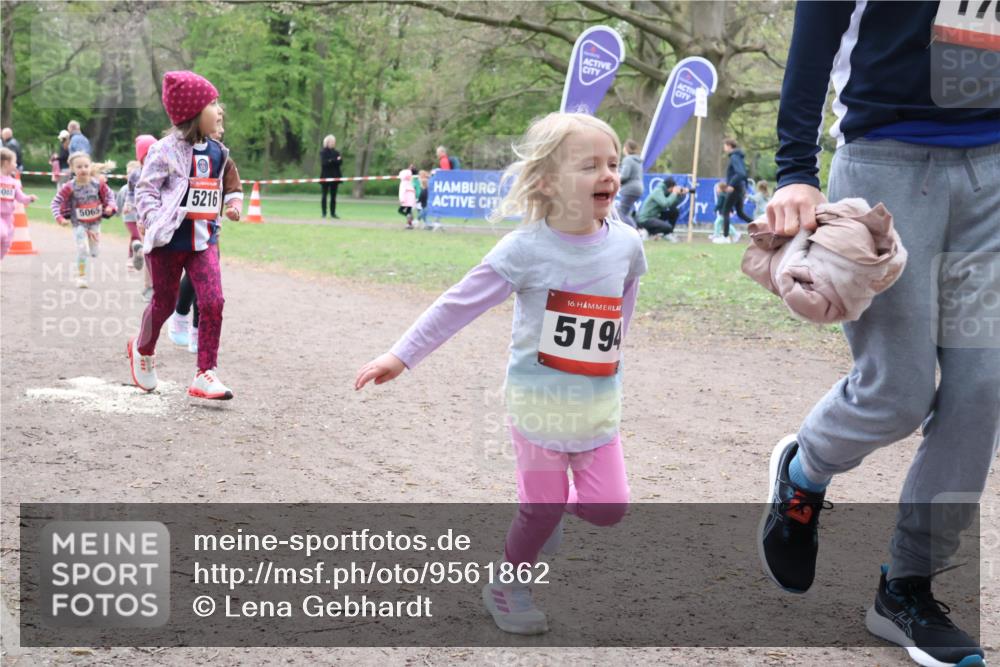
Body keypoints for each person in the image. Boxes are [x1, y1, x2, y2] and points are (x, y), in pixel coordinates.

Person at [758, 3, 999, 667]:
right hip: (884, 165)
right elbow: (818, 26)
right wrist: (795, 168)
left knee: (984, 389)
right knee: (898, 388)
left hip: (993, 175)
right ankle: (804, 473)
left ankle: (906, 585)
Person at [356, 112, 647, 636]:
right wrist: (400, 355)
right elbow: (456, 304)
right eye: (589, 166)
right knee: (541, 506)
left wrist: (614, 349)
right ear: (546, 183)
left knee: (609, 508)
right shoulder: (524, 250)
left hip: (596, 406)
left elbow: (627, 291)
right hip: (536, 406)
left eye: (611, 163)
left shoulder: (627, 244)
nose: (608, 174)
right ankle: (507, 584)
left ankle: (555, 512)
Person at [128, 70, 238, 401]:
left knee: (213, 301)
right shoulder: (163, 151)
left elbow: (227, 183)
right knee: (163, 303)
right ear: (192, 112)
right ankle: (143, 349)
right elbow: (146, 189)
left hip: (204, 240)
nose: (219, 110)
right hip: (167, 243)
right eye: (212, 103)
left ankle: (205, 372)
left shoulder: (218, 151)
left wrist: (231, 204)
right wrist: (148, 217)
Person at [168, 121, 242, 354]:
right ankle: (179, 313)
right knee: (183, 280)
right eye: (216, 119)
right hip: (178, 229)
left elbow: (234, 189)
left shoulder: (221, 156)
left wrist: (234, 207)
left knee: (208, 283)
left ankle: (198, 333)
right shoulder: (178, 152)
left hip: (208, 232)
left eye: (222, 121)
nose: (221, 126)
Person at [51, 152, 117, 287]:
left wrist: (110, 206)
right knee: (82, 249)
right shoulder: (69, 186)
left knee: (94, 252)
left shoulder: (98, 184)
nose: (83, 169)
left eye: (86, 166)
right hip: (78, 224)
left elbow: (111, 196)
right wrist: (59, 218)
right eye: (79, 167)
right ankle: (81, 277)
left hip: (95, 223)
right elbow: (55, 202)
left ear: (90, 167)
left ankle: (93, 248)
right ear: (72, 169)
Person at [0, 148, 37, 258]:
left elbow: (21, 198)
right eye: (14, 162)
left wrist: (29, 198)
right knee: (2, 233)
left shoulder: (14, 183)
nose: (16, 165)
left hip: (8, 217)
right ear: (6, 163)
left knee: (7, 243)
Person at [719, 138, 753, 242]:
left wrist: (731, 184)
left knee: (725, 212)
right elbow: (744, 173)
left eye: (724, 146)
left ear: (729, 145)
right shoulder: (738, 157)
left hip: (736, 188)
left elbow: (741, 173)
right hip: (740, 187)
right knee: (740, 213)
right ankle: (760, 227)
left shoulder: (734, 157)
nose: (724, 148)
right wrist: (745, 186)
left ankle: (725, 237)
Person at [636, 177, 686, 242]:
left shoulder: (665, 191)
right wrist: (674, 193)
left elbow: (672, 205)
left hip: (655, 216)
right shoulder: (658, 191)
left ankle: (668, 233)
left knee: (674, 212)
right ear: (670, 187)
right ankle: (647, 231)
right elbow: (665, 204)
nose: (673, 190)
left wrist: (679, 195)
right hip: (645, 219)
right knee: (668, 227)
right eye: (673, 189)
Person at [617, 139, 643, 228]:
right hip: (638, 188)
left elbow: (625, 176)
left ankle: (635, 232)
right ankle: (634, 231)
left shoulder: (628, 159)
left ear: (626, 148)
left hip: (630, 189)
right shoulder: (638, 160)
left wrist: (615, 180)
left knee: (621, 212)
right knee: (626, 212)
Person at [320, 134, 342, 219]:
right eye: (332, 142)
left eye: (334, 142)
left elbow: (340, 162)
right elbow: (324, 163)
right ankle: (324, 213)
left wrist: (332, 160)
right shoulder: (323, 152)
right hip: (325, 176)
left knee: (333, 196)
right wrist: (334, 160)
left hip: (335, 176)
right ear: (327, 142)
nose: (333, 143)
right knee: (324, 195)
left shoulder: (336, 152)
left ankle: (333, 213)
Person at [398, 164, 416, 229]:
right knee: (409, 211)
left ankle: (409, 218)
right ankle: (410, 224)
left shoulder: (403, 183)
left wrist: (402, 200)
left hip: (405, 200)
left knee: (400, 210)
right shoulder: (410, 182)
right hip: (411, 200)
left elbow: (402, 192)